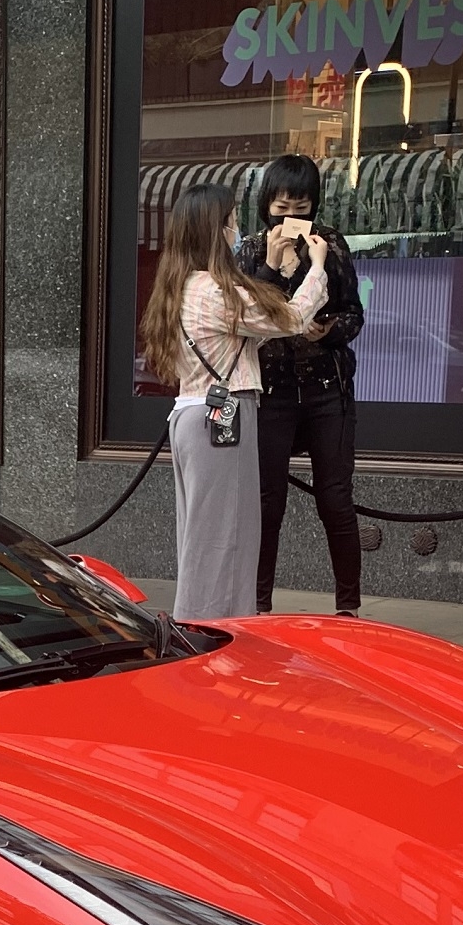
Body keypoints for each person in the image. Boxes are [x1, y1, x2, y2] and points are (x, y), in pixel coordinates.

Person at [140, 183, 327, 620]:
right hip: (222, 417)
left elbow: (248, 332)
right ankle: (213, 636)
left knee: (204, 535)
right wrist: (315, 268)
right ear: (217, 229)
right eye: (232, 221)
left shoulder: (182, 287)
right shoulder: (214, 290)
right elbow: (291, 319)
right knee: (225, 537)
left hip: (193, 413)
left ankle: (205, 629)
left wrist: (274, 271)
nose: (237, 229)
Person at [240, 154, 366, 615]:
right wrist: (272, 263)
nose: (290, 216)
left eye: (301, 205)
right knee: (267, 503)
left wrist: (328, 330)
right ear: (266, 204)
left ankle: (348, 608)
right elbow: (246, 315)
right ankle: (258, 606)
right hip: (271, 390)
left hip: (325, 389)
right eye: (281, 206)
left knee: (335, 498)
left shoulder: (330, 245)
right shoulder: (252, 249)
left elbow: (354, 313)